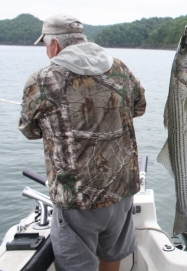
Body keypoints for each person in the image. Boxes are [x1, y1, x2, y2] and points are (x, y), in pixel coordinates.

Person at [18, 14, 146, 271]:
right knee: (111, 256)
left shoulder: (42, 80)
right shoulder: (120, 68)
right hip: (121, 189)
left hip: (79, 198)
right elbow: (139, 107)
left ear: (54, 45)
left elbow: (29, 130)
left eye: (46, 46)